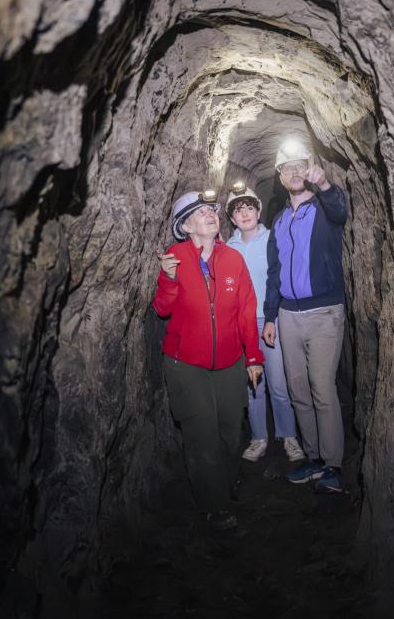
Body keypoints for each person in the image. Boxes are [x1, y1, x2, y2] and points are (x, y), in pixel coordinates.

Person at [153, 190, 263, 531]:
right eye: (201, 213)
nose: (211, 215)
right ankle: (213, 505)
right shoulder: (175, 256)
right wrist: (169, 279)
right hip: (186, 364)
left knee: (231, 430)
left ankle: (225, 482)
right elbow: (162, 309)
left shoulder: (232, 260)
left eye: (212, 211)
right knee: (202, 433)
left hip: (230, 361)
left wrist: (253, 357)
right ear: (186, 226)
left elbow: (246, 310)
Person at [262, 140, 347, 494]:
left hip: (325, 312)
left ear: (308, 172)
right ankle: (312, 458)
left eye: (300, 167)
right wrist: (270, 316)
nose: (294, 173)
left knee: (322, 388)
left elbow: (341, 211)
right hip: (288, 315)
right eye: (287, 168)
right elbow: (274, 273)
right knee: (298, 390)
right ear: (280, 177)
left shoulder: (324, 208)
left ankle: (333, 465)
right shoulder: (279, 221)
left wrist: (325, 185)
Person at [226, 184, 306, 463]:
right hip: (242, 325)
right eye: (238, 209)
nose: (245, 213)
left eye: (249, 207)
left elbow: (282, 279)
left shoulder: (274, 238)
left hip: (271, 320)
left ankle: (288, 435)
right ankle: (259, 437)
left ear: (259, 211)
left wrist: (273, 316)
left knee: (278, 383)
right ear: (232, 219)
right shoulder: (227, 248)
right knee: (253, 385)